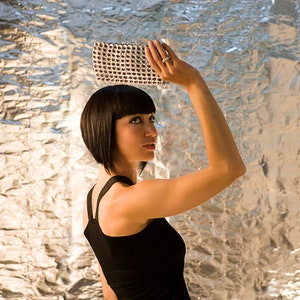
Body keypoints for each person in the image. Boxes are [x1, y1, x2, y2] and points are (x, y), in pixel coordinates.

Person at [80, 40, 246, 300]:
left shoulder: (93, 202)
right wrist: (194, 82)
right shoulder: (128, 201)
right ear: (104, 129)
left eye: (151, 119)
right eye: (135, 120)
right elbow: (229, 168)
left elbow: (110, 288)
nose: (152, 131)